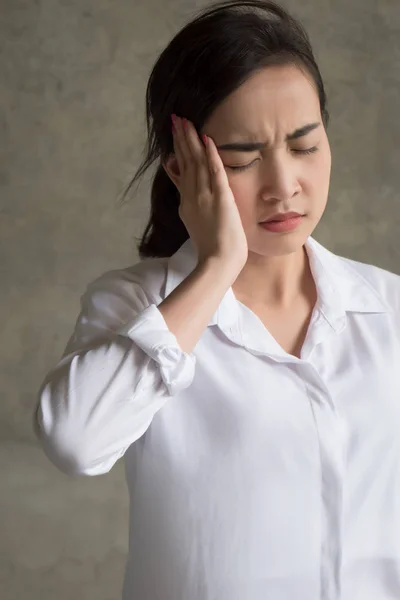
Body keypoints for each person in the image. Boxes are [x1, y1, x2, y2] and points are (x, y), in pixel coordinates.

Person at [34, 1, 400, 598]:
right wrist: (215, 267)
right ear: (182, 169)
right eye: (242, 160)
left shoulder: (390, 309)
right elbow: (75, 442)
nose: (284, 186)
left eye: (305, 147)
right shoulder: (134, 305)